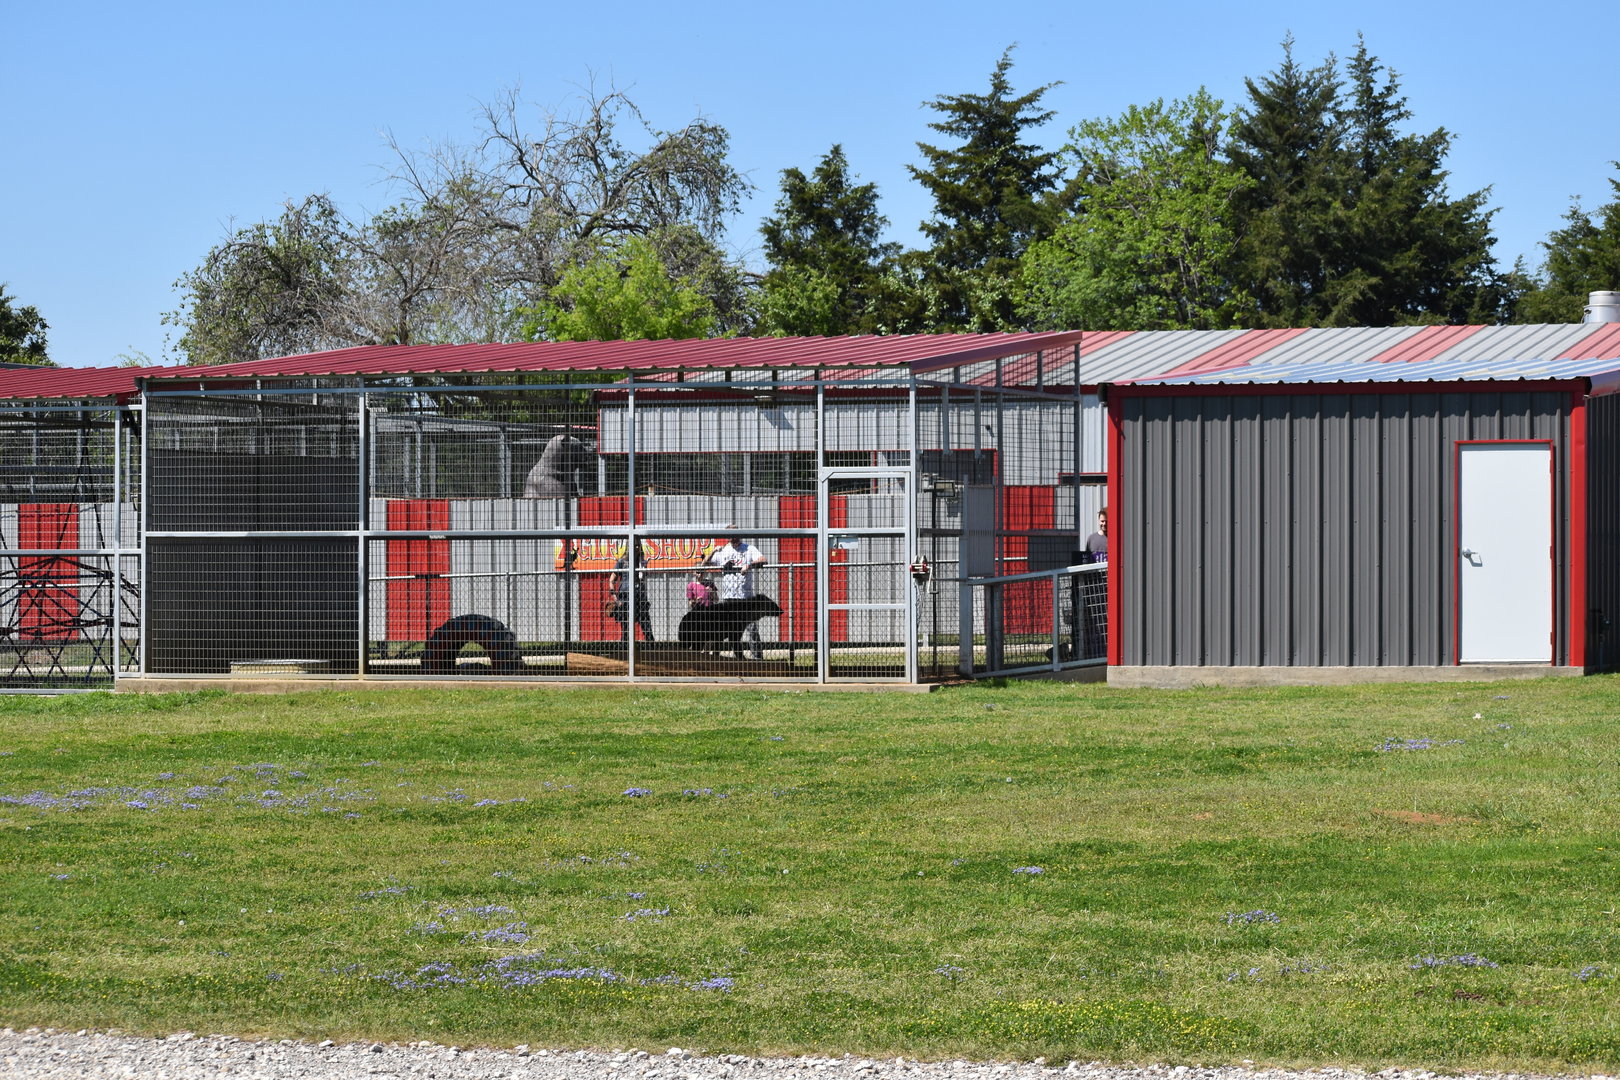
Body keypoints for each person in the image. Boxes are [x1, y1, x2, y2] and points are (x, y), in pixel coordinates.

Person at [703, 526, 768, 659]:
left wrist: (749, 565)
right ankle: (739, 658)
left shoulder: (748, 549)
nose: (733, 537)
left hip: (746, 598)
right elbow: (704, 563)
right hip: (729, 599)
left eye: (736, 534)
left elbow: (763, 560)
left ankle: (758, 658)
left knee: (752, 630)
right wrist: (713, 551)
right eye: (730, 535)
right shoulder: (723, 551)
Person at [607, 540, 655, 644]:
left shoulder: (642, 562)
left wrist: (643, 567)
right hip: (625, 596)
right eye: (634, 545)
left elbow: (643, 577)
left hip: (639, 596)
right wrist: (615, 599)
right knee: (625, 625)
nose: (636, 548)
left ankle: (651, 647)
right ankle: (624, 648)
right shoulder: (622, 562)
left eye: (638, 546)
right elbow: (611, 580)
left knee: (645, 622)